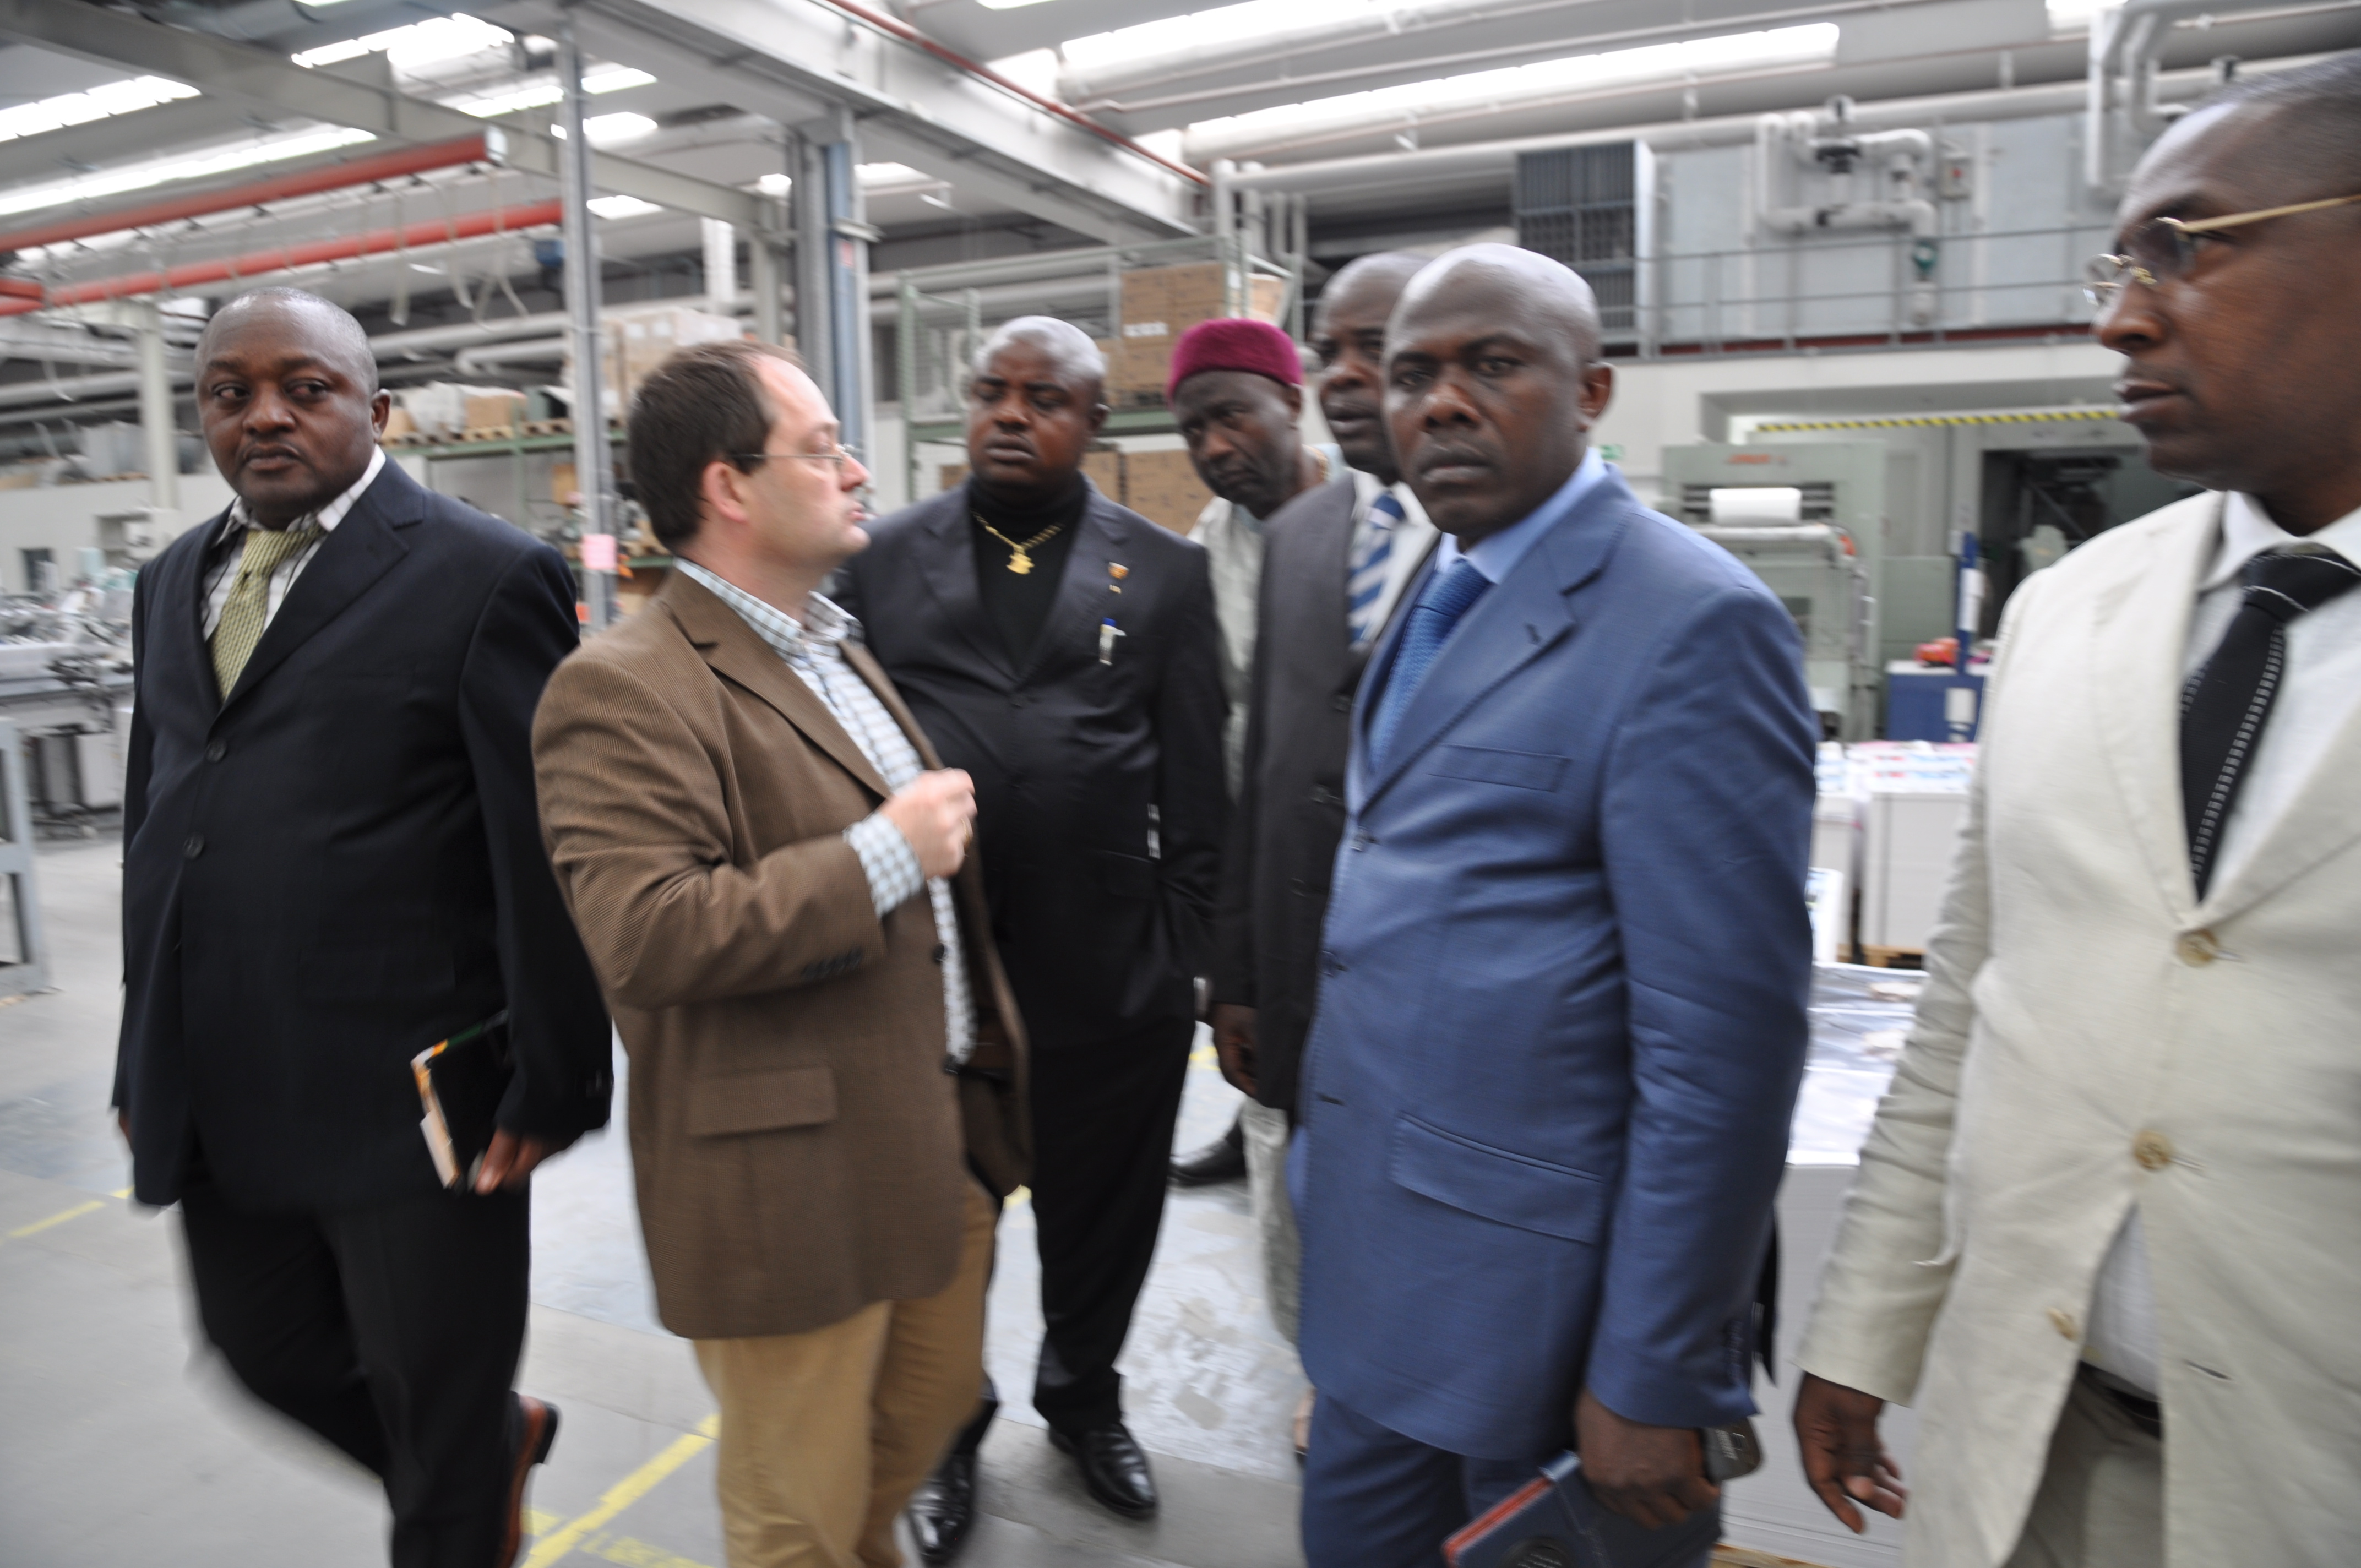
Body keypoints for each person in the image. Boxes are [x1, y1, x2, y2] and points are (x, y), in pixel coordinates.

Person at [1791, 54, 2361, 1568]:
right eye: (2116, 266)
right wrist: (1863, 1327)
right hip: (2030, 1442)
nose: (2119, 316)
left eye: (2182, 247)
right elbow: (1966, 1003)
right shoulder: (2069, 611)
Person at [1291, 244, 1817, 1567]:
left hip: (1547, 1327)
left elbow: (1722, 1053)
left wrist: (1655, 1366)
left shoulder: (1690, 623)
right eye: (1411, 375)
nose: (1439, 403)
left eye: (1491, 365)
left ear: (1590, 390)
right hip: (1378, 1280)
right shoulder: (1443, 580)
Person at [112, 287, 611, 1568]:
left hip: (413, 1094)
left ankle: (460, 1477)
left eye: (306, 387)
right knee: (262, 1349)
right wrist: (139, 1049)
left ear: (375, 409)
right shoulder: (171, 580)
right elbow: (156, 825)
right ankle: (482, 1452)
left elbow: (539, 845)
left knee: (434, 1413)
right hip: (225, 1075)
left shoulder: (482, 573)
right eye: (231, 392)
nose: (265, 415)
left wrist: (557, 1075)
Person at [531, 339, 1029, 1568]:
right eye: (821, 449)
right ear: (729, 487)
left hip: (927, 1146)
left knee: (915, 1426)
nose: (857, 471)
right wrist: (885, 853)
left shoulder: (831, 645)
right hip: (786, 1182)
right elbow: (648, 932)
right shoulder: (624, 684)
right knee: (793, 1514)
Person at [835, 317, 1226, 1550]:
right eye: (991, 391)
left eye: (1044, 397)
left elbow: (1199, 786)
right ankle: (948, 1428)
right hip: (932, 973)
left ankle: (1084, 1399)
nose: (1010, 413)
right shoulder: (881, 558)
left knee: (1103, 1212)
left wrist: (1182, 956)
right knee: (943, 1224)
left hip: (1109, 973)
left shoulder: (1164, 572)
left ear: (1094, 423)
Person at [1204, 254, 1439, 1442]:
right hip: (1301, 968)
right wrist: (1238, 976)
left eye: (1375, 349)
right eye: (1329, 351)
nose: (1346, 377)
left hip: (1440, 993)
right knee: (1304, 1187)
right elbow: (1262, 773)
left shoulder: (1497, 540)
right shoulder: (1303, 536)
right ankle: (1331, 1370)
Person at [1165, 315, 1340, 1190]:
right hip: (1260, 840)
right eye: (1194, 430)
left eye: (1233, 416)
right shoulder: (1209, 551)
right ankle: (1255, 1127)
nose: (1215, 447)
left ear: (1293, 404)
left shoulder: (1378, 516)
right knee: (1263, 1021)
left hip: (1358, 837)